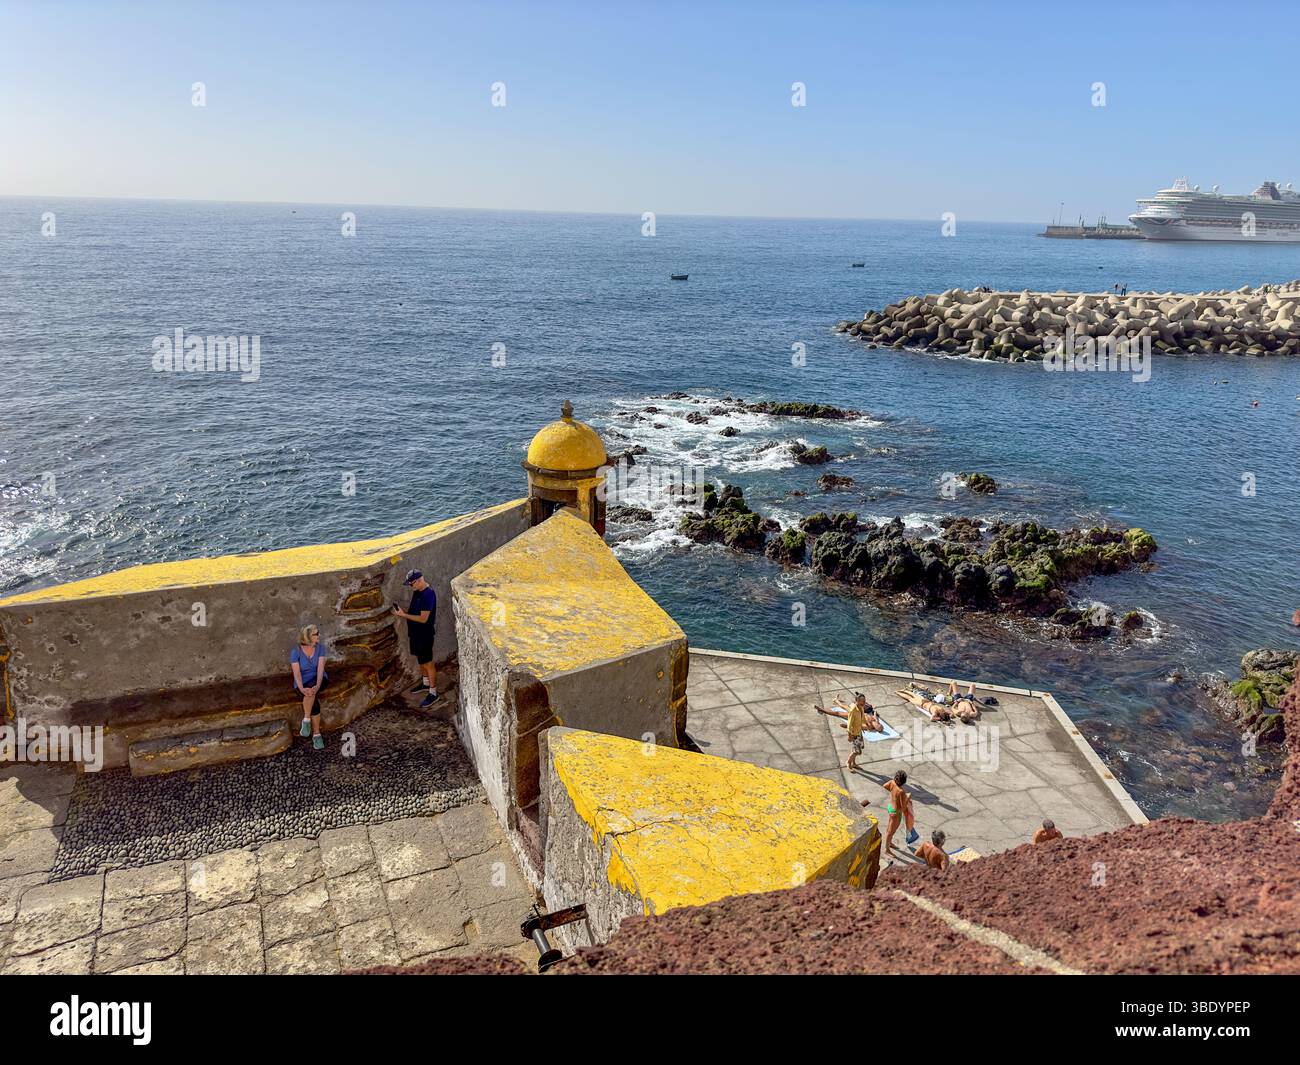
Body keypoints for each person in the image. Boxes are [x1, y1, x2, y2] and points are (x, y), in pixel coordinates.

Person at [393, 570, 438, 707]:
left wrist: (403, 615)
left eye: (411, 584)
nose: (410, 586)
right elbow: (415, 612)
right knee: (421, 660)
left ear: (419, 580)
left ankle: (433, 693)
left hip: (424, 635)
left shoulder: (428, 595)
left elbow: (423, 619)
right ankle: (425, 684)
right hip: (416, 634)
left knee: (428, 663)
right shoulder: (417, 591)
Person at [814, 692, 882, 771]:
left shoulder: (864, 713)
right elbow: (850, 725)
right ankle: (848, 763)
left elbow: (862, 719)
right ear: (857, 701)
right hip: (854, 733)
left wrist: (865, 723)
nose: (864, 702)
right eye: (862, 701)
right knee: (856, 751)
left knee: (857, 750)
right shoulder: (855, 711)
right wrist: (849, 735)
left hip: (858, 731)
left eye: (864, 701)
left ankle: (853, 763)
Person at [290, 624, 328, 751]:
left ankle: (306, 720)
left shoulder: (321, 648)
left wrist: (317, 686)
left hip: (319, 679)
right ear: (307, 637)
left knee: (311, 692)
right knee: (312, 700)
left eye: (318, 633)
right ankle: (316, 734)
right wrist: (301, 688)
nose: (319, 636)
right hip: (302, 682)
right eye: (316, 634)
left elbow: (320, 670)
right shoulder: (296, 652)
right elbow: (297, 674)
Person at [877, 769, 918, 854]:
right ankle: (887, 850)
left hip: (890, 808)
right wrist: (908, 797)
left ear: (895, 778)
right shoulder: (901, 792)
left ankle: (890, 844)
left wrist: (893, 793)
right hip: (896, 813)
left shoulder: (892, 782)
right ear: (904, 782)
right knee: (891, 831)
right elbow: (903, 808)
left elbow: (885, 785)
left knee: (890, 829)